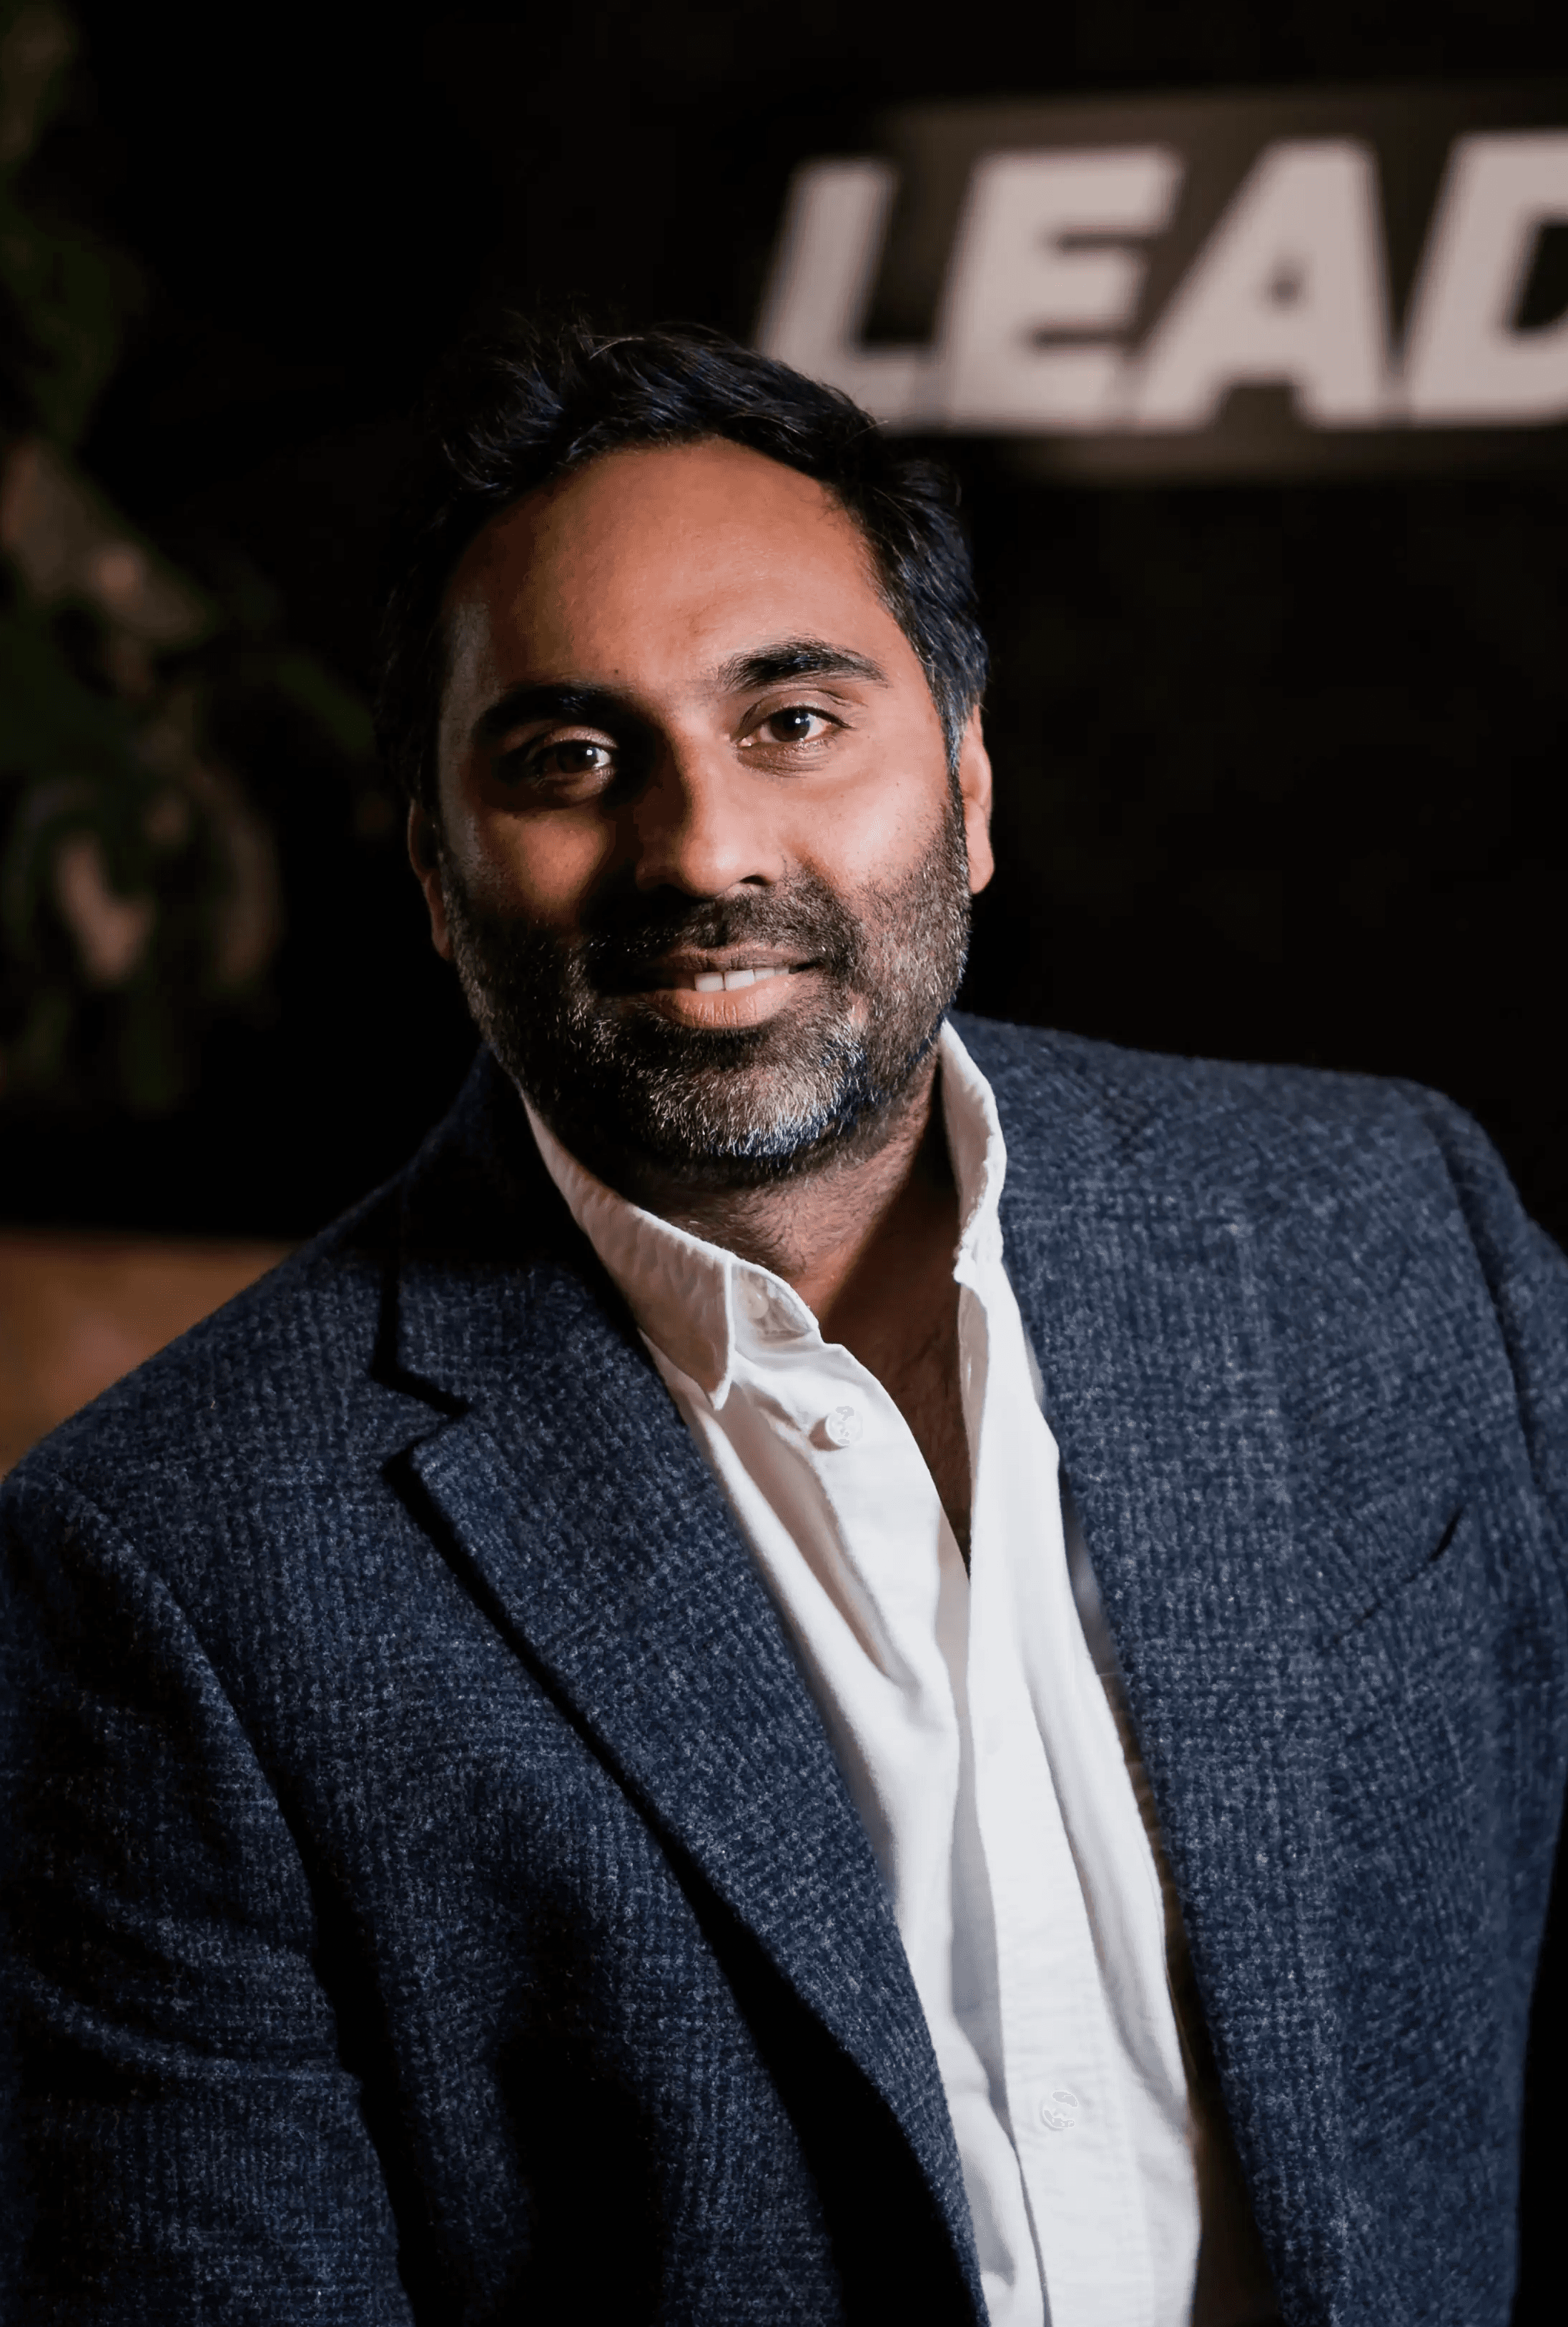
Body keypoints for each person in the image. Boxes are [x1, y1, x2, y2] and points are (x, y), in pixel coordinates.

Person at [2, 319, 1564, 2327]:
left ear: (970, 783)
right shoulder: (172, 1576)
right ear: (436, 878)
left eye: (796, 720)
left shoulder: (1389, 1229)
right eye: (569, 760)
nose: (704, 851)